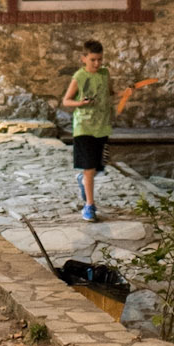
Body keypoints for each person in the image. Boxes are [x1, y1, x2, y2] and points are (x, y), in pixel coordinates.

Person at [62, 37, 115, 221]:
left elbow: (110, 93)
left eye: (100, 59)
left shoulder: (105, 74)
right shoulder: (79, 77)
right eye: (93, 60)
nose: (97, 63)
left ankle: (83, 180)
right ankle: (89, 206)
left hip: (102, 126)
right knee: (90, 168)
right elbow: (66, 101)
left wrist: (125, 94)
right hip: (84, 127)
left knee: (98, 167)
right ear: (83, 58)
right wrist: (80, 103)